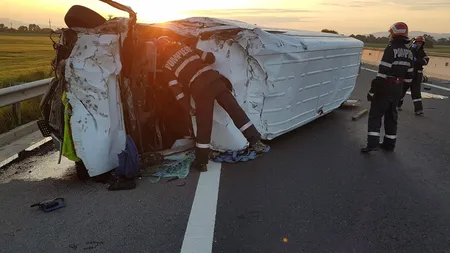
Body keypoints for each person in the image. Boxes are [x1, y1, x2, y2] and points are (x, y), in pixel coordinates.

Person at [156, 36, 269, 171]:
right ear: (170, 42)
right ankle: (256, 142)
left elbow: (177, 93)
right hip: (215, 81)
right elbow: (210, 58)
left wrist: (188, 108)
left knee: (204, 124)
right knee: (235, 111)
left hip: (200, 90)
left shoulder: (167, 68)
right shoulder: (186, 49)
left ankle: (202, 162)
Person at [361, 22, 415, 153]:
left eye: (390, 33)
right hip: (398, 88)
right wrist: (401, 93)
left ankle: (372, 144)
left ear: (394, 34)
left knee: (375, 115)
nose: (389, 36)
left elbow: (382, 73)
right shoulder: (409, 52)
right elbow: (409, 77)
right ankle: (389, 144)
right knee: (392, 116)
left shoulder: (390, 49)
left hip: (385, 86)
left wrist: (373, 91)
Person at [397, 36, 429, 115]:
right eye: (418, 43)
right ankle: (397, 105)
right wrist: (413, 49)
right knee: (402, 89)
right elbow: (408, 58)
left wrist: (417, 60)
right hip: (408, 73)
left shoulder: (422, 52)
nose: (419, 44)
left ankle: (418, 109)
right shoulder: (410, 50)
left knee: (416, 92)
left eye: (420, 43)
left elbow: (425, 61)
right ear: (415, 43)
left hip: (417, 74)